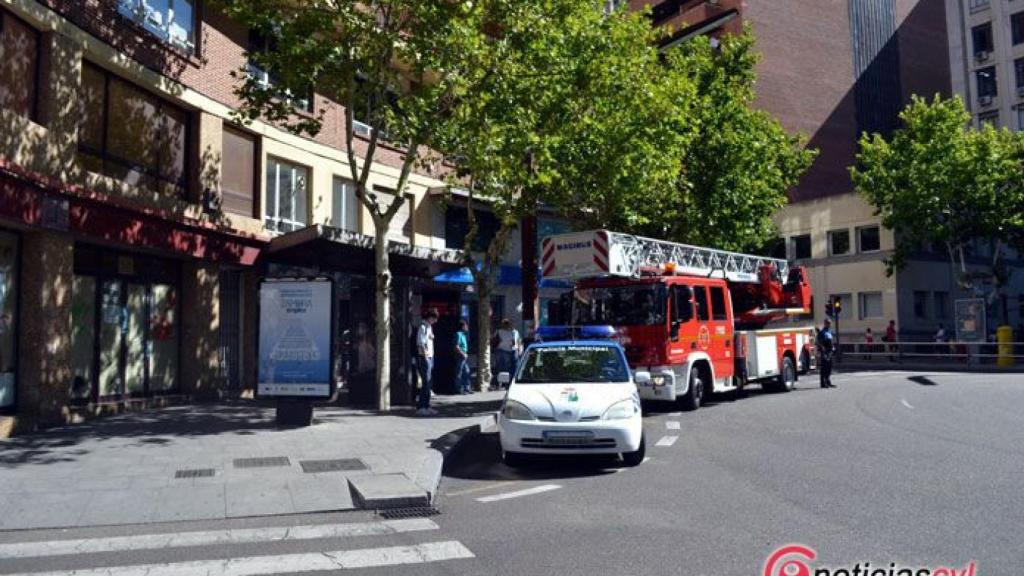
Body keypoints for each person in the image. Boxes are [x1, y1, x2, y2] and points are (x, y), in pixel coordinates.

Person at [415, 308, 439, 415]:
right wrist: (425, 357)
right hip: (425, 357)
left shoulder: (429, 327)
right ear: (430, 317)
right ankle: (421, 406)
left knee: (428, 383)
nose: (435, 321)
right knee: (425, 383)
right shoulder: (423, 327)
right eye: (434, 319)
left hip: (430, 357)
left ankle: (427, 405)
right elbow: (420, 343)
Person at [494, 318, 521, 389]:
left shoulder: (514, 332)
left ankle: (507, 383)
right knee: (509, 368)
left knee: (506, 368)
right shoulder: (501, 331)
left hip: (507, 350)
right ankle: (507, 383)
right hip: (507, 351)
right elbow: (516, 342)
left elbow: (517, 341)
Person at [816, 317, 836, 389]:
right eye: (828, 323)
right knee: (824, 368)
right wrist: (823, 350)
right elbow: (819, 342)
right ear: (825, 323)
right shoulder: (822, 332)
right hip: (824, 352)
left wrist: (833, 347)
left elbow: (831, 340)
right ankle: (823, 383)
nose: (829, 324)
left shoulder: (829, 331)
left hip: (830, 352)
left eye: (830, 323)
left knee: (829, 367)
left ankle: (828, 381)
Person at [454, 319, 472, 395]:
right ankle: (459, 389)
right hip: (460, 355)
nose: (467, 327)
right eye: (466, 325)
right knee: (459, 372)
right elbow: (456, 346)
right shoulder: (458, 334)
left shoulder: (463, 335)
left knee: (466, 371)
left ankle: (467, 388)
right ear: (462, 326)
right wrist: (462, 353)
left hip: (464, 355)